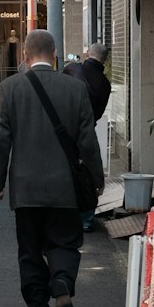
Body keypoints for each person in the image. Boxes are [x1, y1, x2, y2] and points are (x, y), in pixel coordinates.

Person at [0, 28, 104, 307]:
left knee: (29, 250)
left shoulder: (10, 87)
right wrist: (97, 179)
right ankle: (63, 281)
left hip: (26, 189)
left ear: (24, 56)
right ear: (55, 56)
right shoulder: (74, 89)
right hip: (64, 188)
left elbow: (1, 140)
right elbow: (88, 141)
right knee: (64, 243)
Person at [62, 43, 111, 231]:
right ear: (104, 60)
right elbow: (98, 113)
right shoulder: (104, 84)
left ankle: (64, 213)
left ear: (88, 53)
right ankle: (85, 218)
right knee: (87, 171)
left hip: (63, 129)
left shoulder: (72, 69)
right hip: (87, 129)